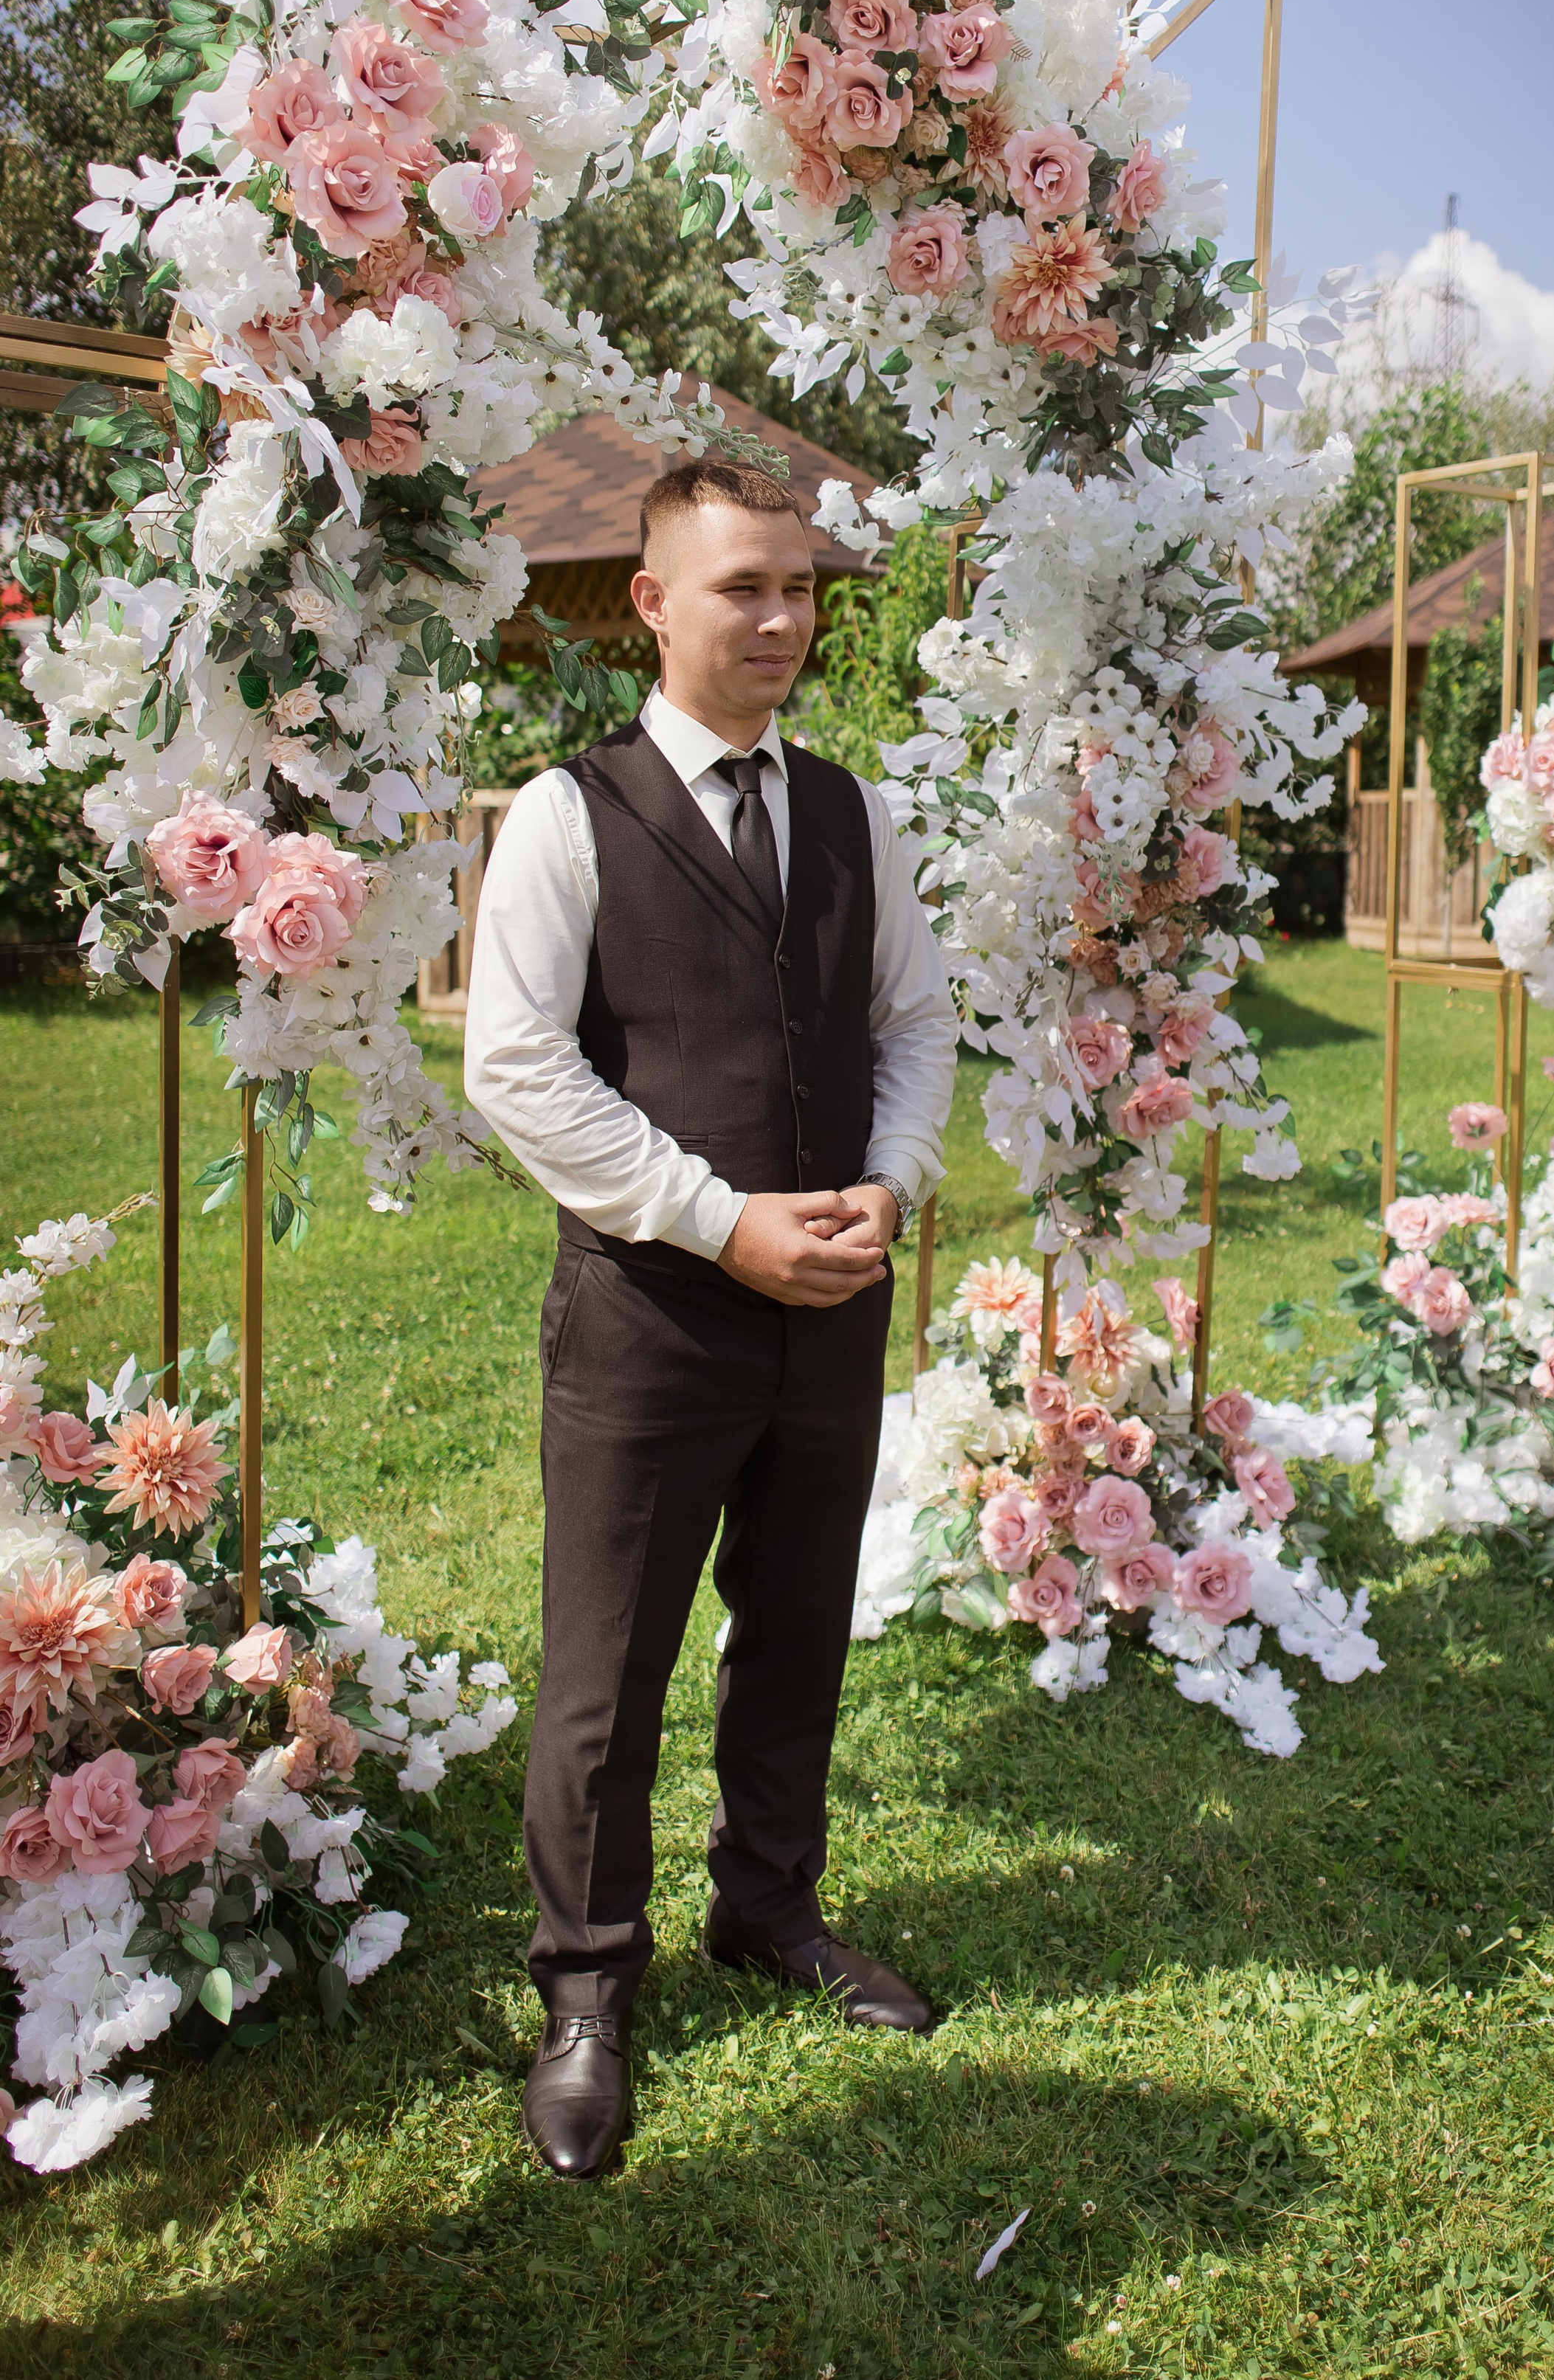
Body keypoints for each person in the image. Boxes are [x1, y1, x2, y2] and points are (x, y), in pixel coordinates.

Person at [463, 455, 958, 2180]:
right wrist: (714, 1220)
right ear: (651, 603)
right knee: (606, 1676)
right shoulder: (561, 812)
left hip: (829, 1306)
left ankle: (769, 1904)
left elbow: (910, 1019)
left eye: (802, 588)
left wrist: (889, 1182)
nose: (779, 618)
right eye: (742, 586)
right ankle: (587, 1989)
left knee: (798, 1628)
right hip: (651, 1318)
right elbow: (514, 1067)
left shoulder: (849, 809)